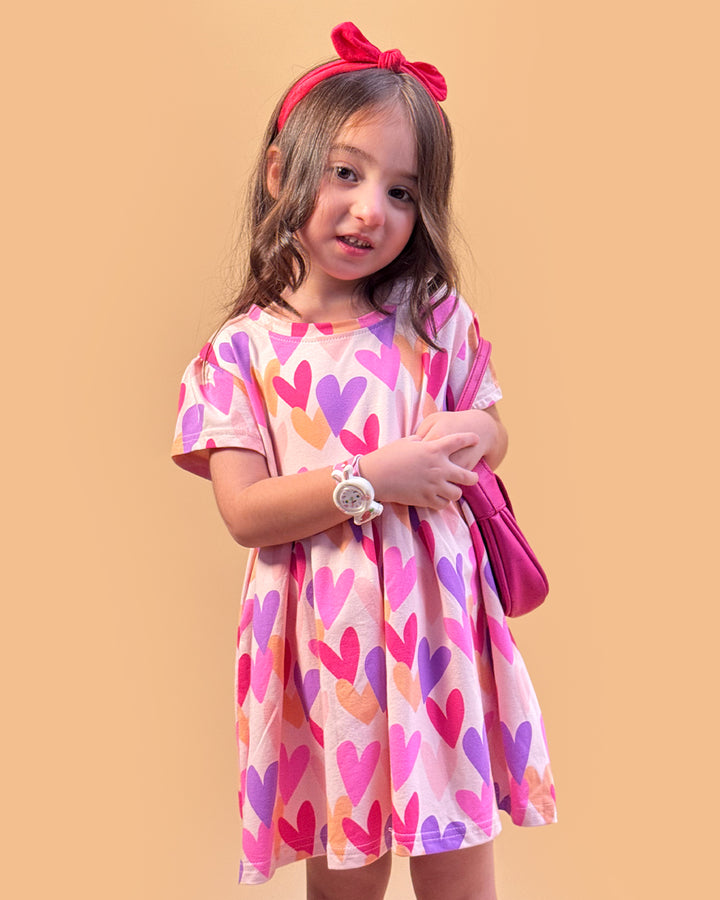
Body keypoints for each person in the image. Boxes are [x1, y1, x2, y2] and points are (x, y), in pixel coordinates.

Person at [172, 21, 556, 900]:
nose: (370, 208)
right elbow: (244, 512)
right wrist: (373, 479)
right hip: (325, 648)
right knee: (345, 872)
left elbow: (494, 427)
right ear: (282, 174)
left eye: (403, 190)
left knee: (459, 861)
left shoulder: (433, 316)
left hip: (437, 637)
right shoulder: (241, 353)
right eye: (345, 173)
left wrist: (475, 438)